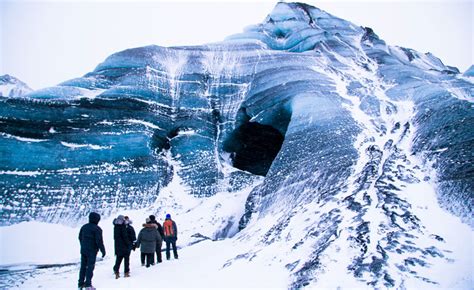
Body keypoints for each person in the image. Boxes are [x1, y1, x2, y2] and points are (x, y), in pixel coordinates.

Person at [78, 212, 106, 290]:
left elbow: (80, 237)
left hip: (83, 249)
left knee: (83, 266)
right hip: (92, 250)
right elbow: (99, 241)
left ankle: (80, 283)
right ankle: (88, 285)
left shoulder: (84, 227)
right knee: (90, 267)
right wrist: (103, 250)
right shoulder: (97, 229)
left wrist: (83, 245)